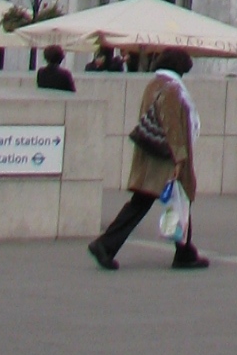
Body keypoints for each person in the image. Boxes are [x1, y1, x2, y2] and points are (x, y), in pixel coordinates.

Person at [87, 46, 208, 271]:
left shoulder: (154, 84)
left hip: (151, 154)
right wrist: (180, 158)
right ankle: (107, 245)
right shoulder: (172, 89)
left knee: (148, 202)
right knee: (175, 199)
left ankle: (183, 250)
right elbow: (172, 125)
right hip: (164, 158)